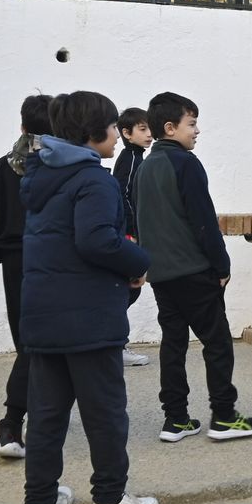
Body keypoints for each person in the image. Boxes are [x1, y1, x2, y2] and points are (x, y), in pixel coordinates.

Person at [18, 91, 156, 504]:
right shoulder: (94, 179)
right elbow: (95, 240)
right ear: (94, 132)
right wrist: (138, 262)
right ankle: (111, 499)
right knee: (105, 412)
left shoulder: (40, 177)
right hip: (88, 317)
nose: (117, 134)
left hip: (42, 313)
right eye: (114, 126)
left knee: (46, 414)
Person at [135, 92, 252, 444]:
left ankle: (175, 419)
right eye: (191, 124)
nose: (197, 131)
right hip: (194, 270)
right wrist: (221, 265)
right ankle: (224, 415)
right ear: (170, 127)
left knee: (173, 345)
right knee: (217, 343)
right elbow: (203, 221)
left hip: (161, 274)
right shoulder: (185, 164)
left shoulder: (145, 168)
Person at [0, 93, 53, 460]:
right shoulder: (59, 165)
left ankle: (15, 424)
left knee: (27, 342)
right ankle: (15, 422)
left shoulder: (4, 165)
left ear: (22, 126)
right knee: (44, 343)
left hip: (13, 261)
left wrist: (4, 237)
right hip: (51, 261)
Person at [111, 106, 154, 368]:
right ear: (126, 133)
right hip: (129, 235)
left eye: (150, 128)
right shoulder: (130, 159)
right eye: (142, 129)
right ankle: (117, 344)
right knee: (127, 291)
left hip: (135, 233)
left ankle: (116, 343)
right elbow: (123, 195)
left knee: (131, 292)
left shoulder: (139, 157)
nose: (149, 134)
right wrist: (130, 234)